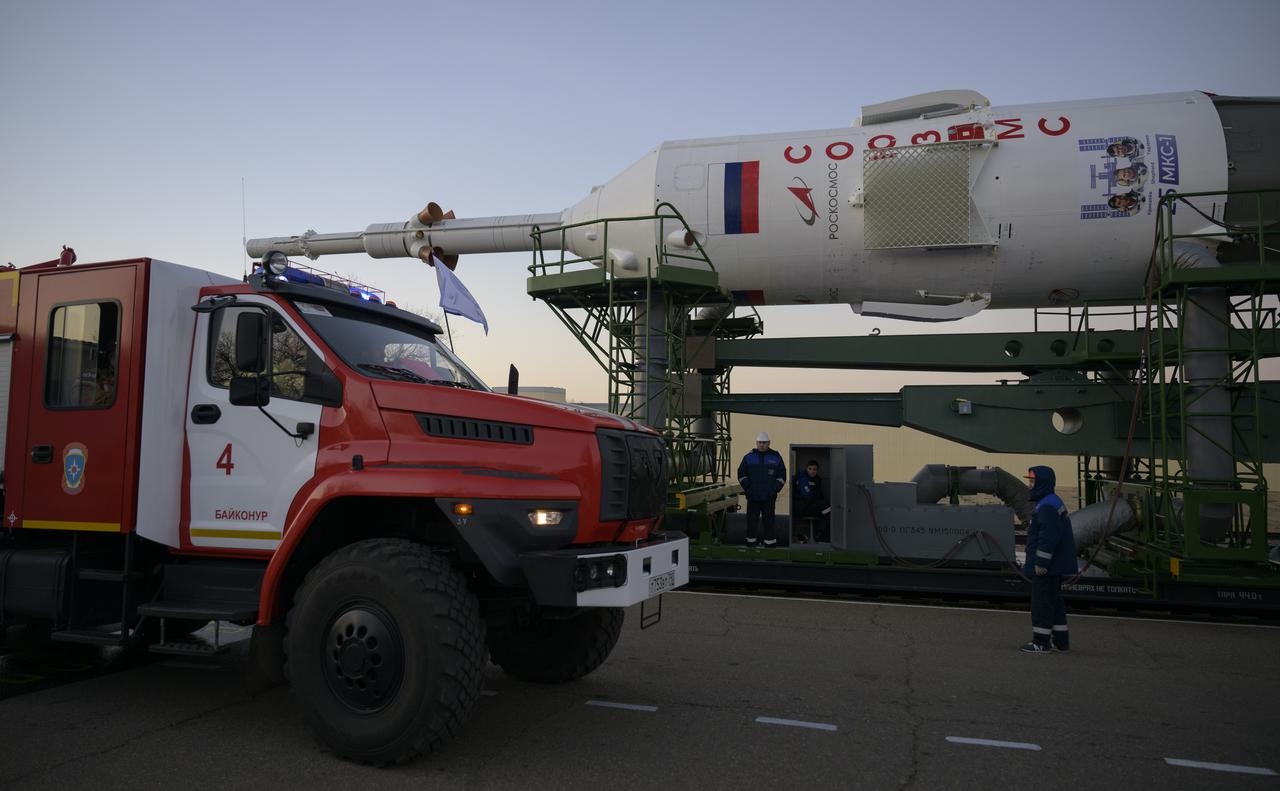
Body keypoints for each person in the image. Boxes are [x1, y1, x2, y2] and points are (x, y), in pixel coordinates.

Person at [1021, 466, 1077, 653]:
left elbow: (1048, 538)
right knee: (1054, 602)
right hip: (1054, 566)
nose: (1029, 485)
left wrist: (1041, 563)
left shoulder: (1046, 507)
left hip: (1047, 568)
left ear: (1042, 483)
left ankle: (1041, 642)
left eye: (1032, 482)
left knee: (1042, 604)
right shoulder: (1051, 502)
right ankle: (1061, 642)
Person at [737, 432, 786, 547]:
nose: (762, 445)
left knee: (769, 521)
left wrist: (774, 490)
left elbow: (782, 476)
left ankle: (770, 544)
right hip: (753, 496)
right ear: (756, 443)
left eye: (764, 443)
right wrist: (748, 488)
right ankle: (751, 542)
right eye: (760, 443)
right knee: (751, 521)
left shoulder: (776, 457)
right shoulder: (748, 457)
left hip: (768, 497)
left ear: (769, 443)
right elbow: (741, 473)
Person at [792, 460, 831, 543]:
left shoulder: (817, 479)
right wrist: (820, 504)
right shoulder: (802, 478)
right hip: (802, 507)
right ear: (806, 469)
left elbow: (819, 496)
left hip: (811, 506)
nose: (812, 471)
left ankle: (821, 534)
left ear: (817, 470)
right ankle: (824, 536)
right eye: (810, 469)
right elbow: (807, 496)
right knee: (826, 508)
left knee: (829, 509)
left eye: (814, 469)